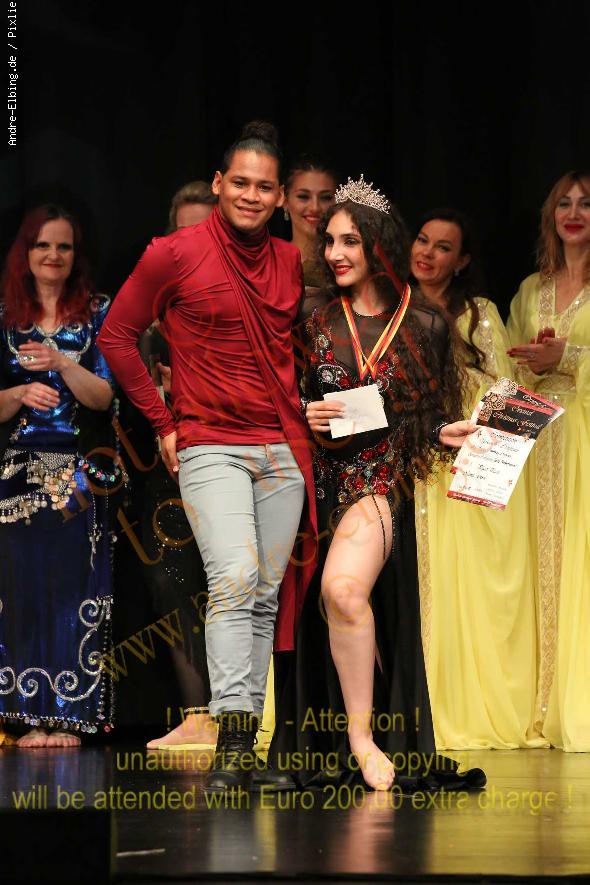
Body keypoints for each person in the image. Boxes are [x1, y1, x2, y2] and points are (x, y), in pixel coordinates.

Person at [98, 122, 316, 791]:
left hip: (281, 447)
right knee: (233, 579)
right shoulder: (174, 252)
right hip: (211, 443)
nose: (251, 195)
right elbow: (116, 336)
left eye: (264, 187)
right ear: (219, 184)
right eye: (239, 182)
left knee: (261, 596)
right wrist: (163, 422)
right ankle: (231, 744)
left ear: (280, 197)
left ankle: (244, 749)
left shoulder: (288, 261)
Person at [271, 177, 484, 791]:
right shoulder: (310, 314)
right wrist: (302, 411)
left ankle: (364, 742)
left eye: (350, 241)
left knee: (342, 592)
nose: (335, 253)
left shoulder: (425, 323)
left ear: (378, 244)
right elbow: (278, 395)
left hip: (376, 481)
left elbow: (424, 415)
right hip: (309, 486)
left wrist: (445, 431)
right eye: (330, 241)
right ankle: (324, 740)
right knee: (314, 613)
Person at [410, 209, 543, 749]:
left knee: (469, 579)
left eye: (443, 247)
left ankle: (463, 700)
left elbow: (505, 395)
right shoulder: (392, 305)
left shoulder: (478, 313)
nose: (428, 253)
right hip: (413, 464)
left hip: (465, 465)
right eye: (423, 240)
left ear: (462, 260)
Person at [0, 204, 116, 748]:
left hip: (78, 472)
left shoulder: (97, 313)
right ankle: (24, 714)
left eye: (63, 246)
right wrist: (20, 392)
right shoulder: (4, 315)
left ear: (76, 255)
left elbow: (105, 396)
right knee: (21, 590)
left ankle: (69, 714)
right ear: (25, 253)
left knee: (73, 589)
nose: (53, 255)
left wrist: (62, 363)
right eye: (43, 245)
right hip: (16, 473)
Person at [507, 170, 590, 751]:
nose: (574, 213)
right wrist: (533, 362)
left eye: (586, 203)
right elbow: (508, 368)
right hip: (538, 442)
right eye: (564, 203)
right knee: (540, 561)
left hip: (584, 436)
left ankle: (575, 699)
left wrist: (571, 355)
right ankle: (537, 700)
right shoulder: (531, 289)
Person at [283, 156, 337, 286]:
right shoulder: (267, 261)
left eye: (325, 198)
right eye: (303, 196)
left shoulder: (346, 263)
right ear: (285, 201)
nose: (315, 208)